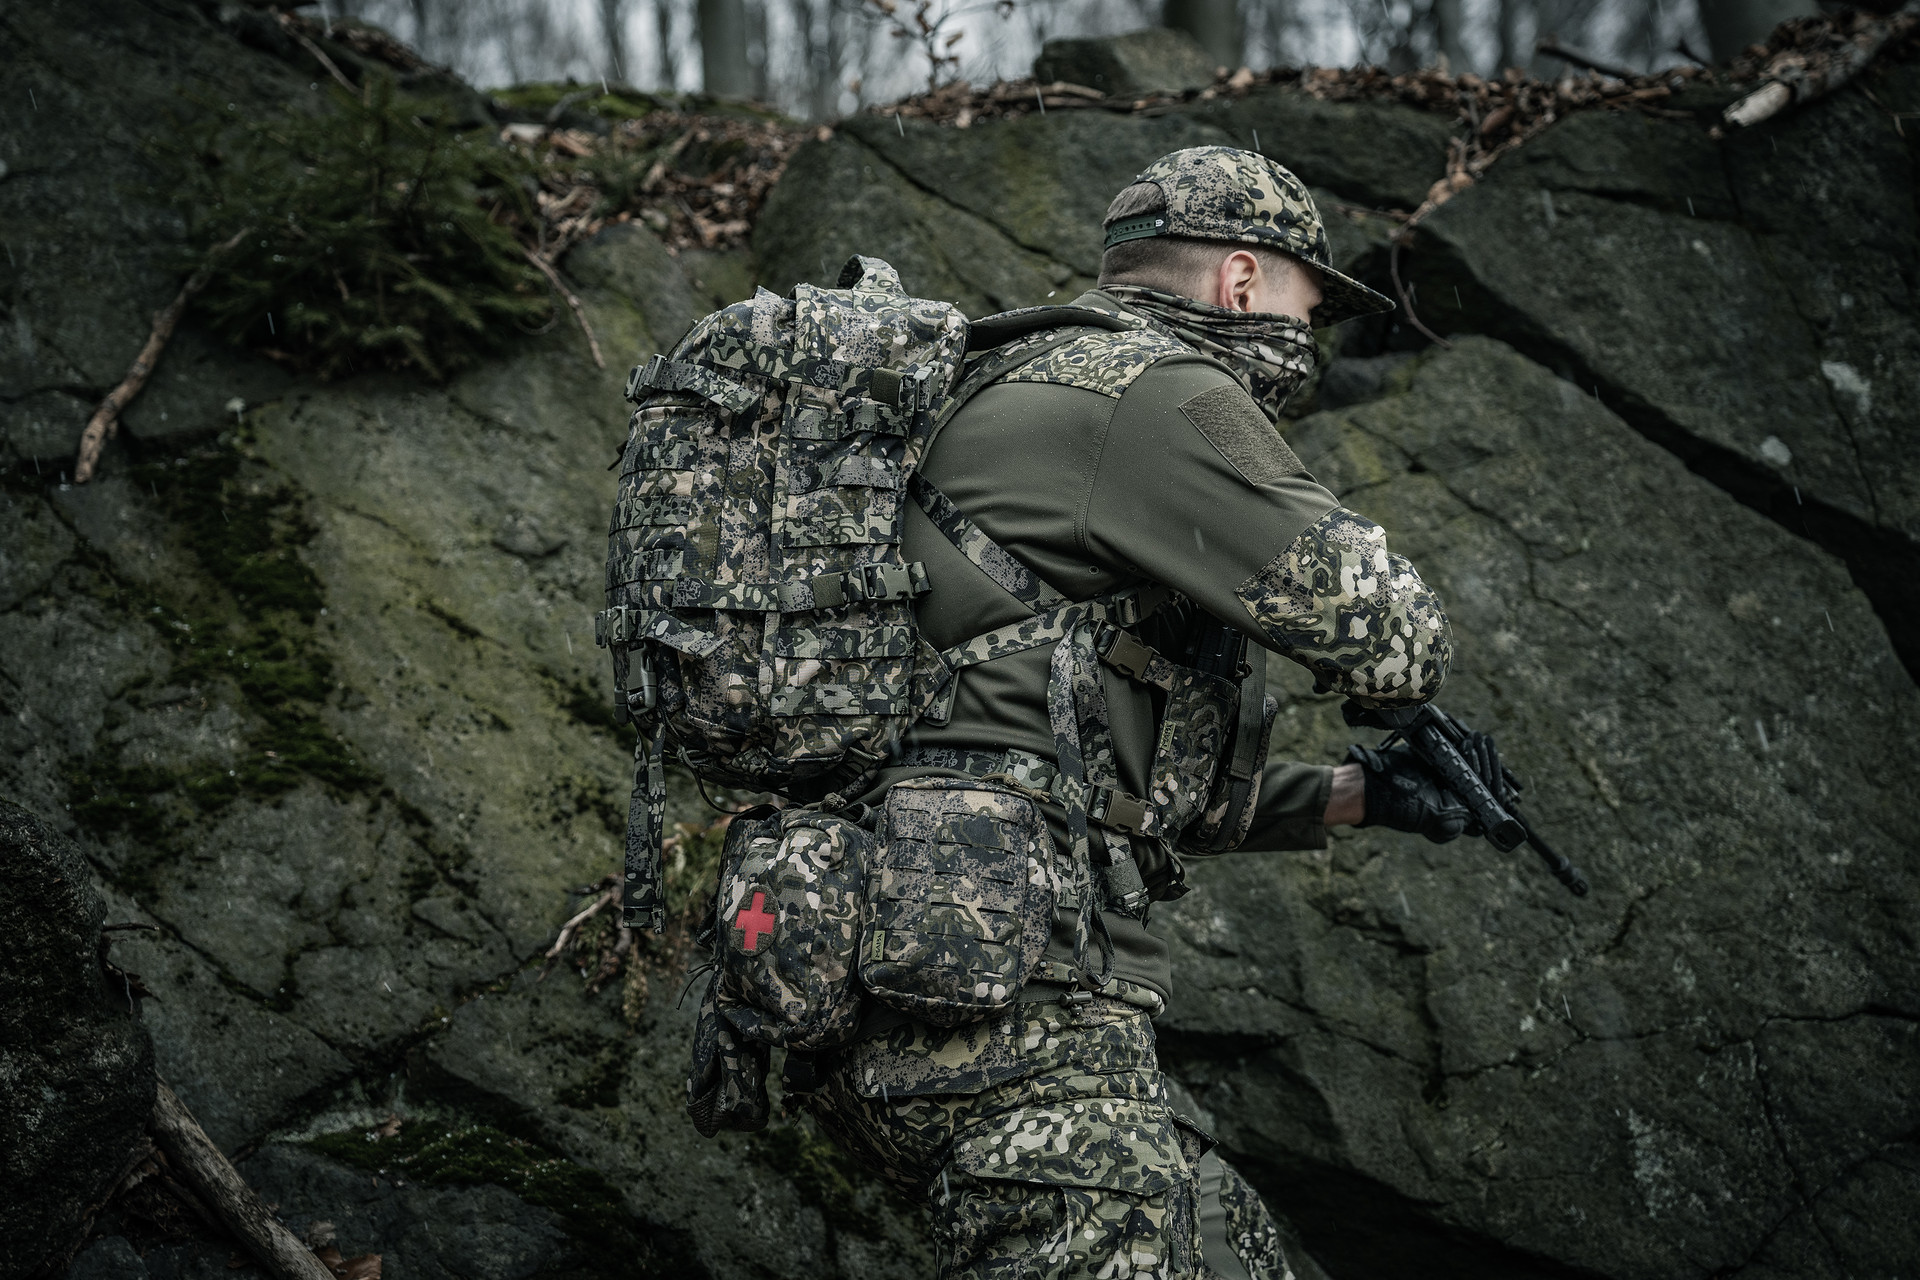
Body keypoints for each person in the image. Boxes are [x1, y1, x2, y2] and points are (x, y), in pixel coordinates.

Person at [804, 146, 1472, 1279]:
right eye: (1313, 303)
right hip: (1005, 989)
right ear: (1246, 280)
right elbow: (1393, 631)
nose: (1311, 339)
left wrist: (1355, 796)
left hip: (909, 942)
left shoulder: (993, 378)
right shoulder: (1158, 392)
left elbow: (1089, 764)